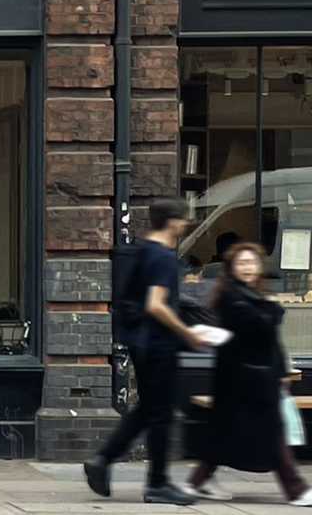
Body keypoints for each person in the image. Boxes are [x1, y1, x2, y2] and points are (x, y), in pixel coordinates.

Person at [85, 197, 206, 506]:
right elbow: (156, 305)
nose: (185, 224)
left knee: (151, 410)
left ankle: (105, 460)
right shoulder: (162, 257)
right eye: (183, 220)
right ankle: (157, 483)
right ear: (172, 222)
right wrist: (187, 332)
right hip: (158, 343)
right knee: (161, 413)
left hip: (141, 340)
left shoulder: (141, 250)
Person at [184, 243, 312, 506]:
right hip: (243, 380)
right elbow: (261, 325)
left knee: (227, 435)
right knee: (271, 433)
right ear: (232, 267)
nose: (247, 267)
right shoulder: (232, 296)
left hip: (254, 377)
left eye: (251, 262)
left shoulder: (250, 295)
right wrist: (273, 309)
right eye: (241, 263)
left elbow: (270, 339)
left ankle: (198, 481)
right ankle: (296, 489)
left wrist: (280, 373)